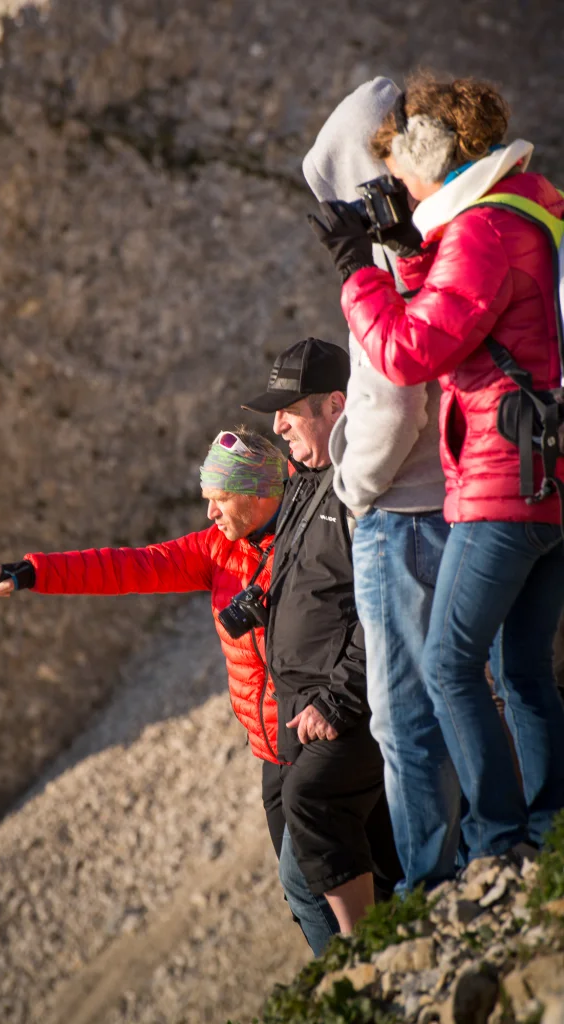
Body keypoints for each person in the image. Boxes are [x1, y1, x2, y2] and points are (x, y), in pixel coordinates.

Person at [309, 71, 564, 868]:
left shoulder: (484, 230)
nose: (397, 188)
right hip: (540, 478)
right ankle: (549, 829)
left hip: (497, 481)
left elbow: (410, 351)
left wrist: (358, 271)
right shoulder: (523, 206)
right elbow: (465, 322)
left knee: (450, 668)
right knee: (520, 671)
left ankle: (495, 841)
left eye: (399, 168)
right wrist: (412, 260)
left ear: (428, 156)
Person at [0, 427, 339, 954]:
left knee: (316, 880)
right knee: (301, 893)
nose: (209, 514)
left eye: (219, 500)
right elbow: (129, 566)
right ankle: (351, 974)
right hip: (269, 751)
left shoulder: (310, 538)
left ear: (256, 495)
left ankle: (358, 979)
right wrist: (31, 572)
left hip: (314, 736)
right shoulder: (216, 549)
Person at [302, 77, 460, 890]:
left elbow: (390, 399)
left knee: (407, 716)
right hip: (455, 500)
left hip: (403, 513)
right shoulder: (440, 240)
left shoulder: (389, 265)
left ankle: (437, 880)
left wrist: (351, 485)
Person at [243, 337, 401, 937]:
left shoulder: (360, 483)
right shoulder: (307, 478)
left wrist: (338, 697)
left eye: (290, 409)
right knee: (347, 861)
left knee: (312, 843)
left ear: (336, 405)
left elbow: (380, 603)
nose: (278, 423)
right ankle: (376, 961)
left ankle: (361, 967)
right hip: (295, 714)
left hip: (337, 708)